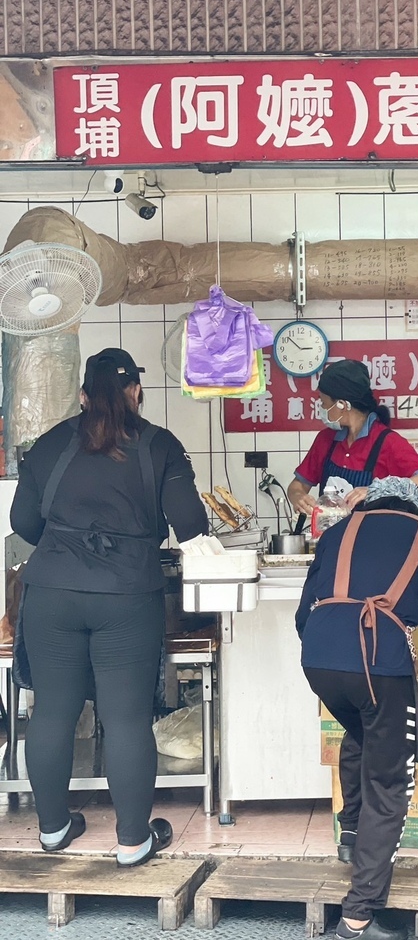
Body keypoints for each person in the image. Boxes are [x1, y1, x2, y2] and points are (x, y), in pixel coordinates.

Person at [10, 347, 208, 867]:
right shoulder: (160, 445)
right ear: (136, 392)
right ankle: (133, 841)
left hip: (52, 592)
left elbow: (23, 522)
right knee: (125, 718)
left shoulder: (49, 444)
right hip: (126, 596)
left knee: (52, 711)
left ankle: (53, 831)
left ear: (83, 395)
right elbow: (191, 524)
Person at [296, 476, 418, 940]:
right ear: (416, 507)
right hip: (379, 664)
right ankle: (358, 916)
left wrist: (331, 649)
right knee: (391, 783)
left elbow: (303, 613)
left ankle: (352, 835)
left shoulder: (338, 531)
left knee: (364, 733)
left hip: (319, 660)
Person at [287, 359, 418, 517]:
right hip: (329, 532)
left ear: (342, 405)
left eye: (324, 402)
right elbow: (297, 485)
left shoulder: (387, 441)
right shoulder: (326, 439)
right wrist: (299, 497)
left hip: (373, 532)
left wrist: (376, 490)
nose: (322, 409)